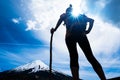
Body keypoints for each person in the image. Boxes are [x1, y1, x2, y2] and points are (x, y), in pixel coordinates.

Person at [50, 4, 106, 80]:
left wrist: (55, 29)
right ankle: (103, 78)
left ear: (67, 11)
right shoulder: (80, 16)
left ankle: (76, 78)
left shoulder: (64, 15)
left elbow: (60, 21)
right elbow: (92, 21)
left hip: (70, 37)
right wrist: (88, 31)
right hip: (82, 36)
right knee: (90, 57)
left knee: (73, 57)